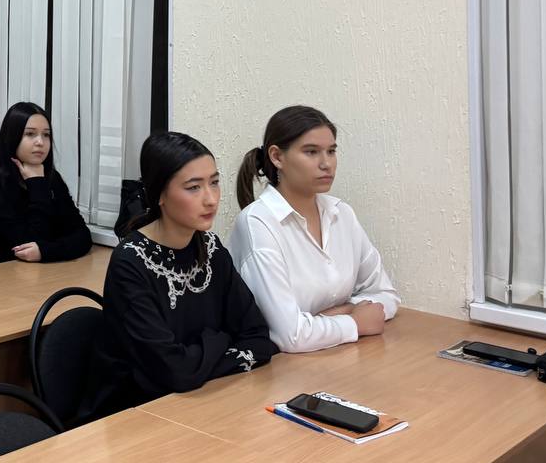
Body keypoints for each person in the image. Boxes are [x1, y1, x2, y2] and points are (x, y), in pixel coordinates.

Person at [80, 132, 276, 423]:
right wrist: (221, 340)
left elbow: (259, 340)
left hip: (200, 402)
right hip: (133, 417)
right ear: (159, 194)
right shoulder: (130, 262)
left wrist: (196, 360)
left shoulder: (211, 249)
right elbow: (174, 372)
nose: (210, 199)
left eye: (214, 182)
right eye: (193, 187)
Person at [228, 105, 399, 353]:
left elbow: (386, 295)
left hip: (342, 355)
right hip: (284, 369)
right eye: (311, 152)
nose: (326, 163)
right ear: (277, 157)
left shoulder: (341, 213)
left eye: (331, 151)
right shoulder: (257, 223)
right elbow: (290, 336)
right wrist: (355, 321)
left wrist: (337, 314)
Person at [0, 101, 91, 265]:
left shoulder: (52, 178)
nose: (40, 142)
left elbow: (83, 236)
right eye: (30, 134)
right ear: (12, 137)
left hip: (42, 273)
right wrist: (37, 184)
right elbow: (27, 247)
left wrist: (45, 252)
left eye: (46, 135)